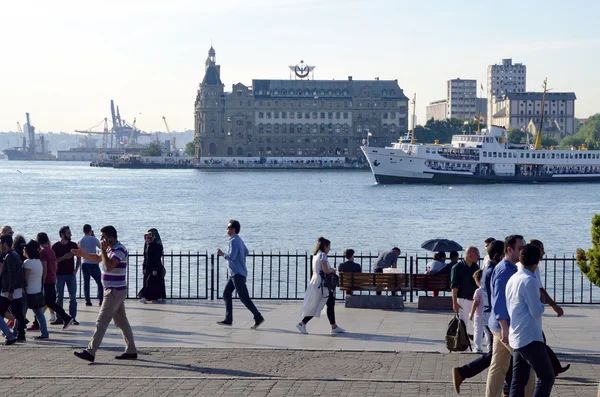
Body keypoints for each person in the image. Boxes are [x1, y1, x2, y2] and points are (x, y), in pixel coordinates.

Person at [72, 225, 137, 362]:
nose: (101, 239)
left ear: (111, 237)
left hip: (115, 291)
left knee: (101, 321)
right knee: (121, 322)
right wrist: (82, 254)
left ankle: (90, 352)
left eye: (103, 237)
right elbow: (97, 259)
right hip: (113, 290)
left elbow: (108, 266)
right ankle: (131, 351)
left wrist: (103, 250)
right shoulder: (109, 249)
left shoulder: (119, 249)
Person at [452, 240, 508, 394]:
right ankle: (463, 372)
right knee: (505, 358)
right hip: (495, 319)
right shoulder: (492, 272)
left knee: (499, 358)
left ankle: (463, 372)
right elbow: (495, 299)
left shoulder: (486, 269)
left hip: (493, 318)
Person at [486, 235, 535, 397]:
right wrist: (505, 327)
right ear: (509, 249)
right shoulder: (504, 270)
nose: (523, 251)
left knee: (498, 366)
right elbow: (499, 300)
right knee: (529, 364)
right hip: (505, 326)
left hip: (499, 324)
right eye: (520, 248)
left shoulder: (510, 268)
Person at [507, 244, 555, 397]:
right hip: (530, 337)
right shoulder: (530, 280)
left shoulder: (513, 278)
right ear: (537, 261)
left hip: (516, 333)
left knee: (518, 380)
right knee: (547, 377)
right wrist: (542, 303)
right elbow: (536, 311)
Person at [524, 239, 570, 376]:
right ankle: (551, 370)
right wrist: (553, 305)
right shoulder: (530, 271)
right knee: (539, 342)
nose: (543, 253)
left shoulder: (534, 269)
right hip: (530, 315)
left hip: (531, 315)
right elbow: (540, 289)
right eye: (541, 250)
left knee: (539, 342)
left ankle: (553, 368)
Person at [216, 220, 264, 329]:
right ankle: (228, 319)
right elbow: (246, 252)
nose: (227, 229)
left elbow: (231, 257)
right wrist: (240, 259)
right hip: (236, 273)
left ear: (233, 229)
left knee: (244, 298)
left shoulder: (233, 241)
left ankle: (258, 317)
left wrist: (222, 254)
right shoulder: (239, 240)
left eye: (228, 227)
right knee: (226, 294)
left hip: (237, 274)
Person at [296, 237, 344, 335]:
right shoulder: (323, 255)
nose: (329, 249)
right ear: (325, 246)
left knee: (330, 303)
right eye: (329, 247)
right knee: (317, 304)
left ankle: (334, 326)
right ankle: (302, 323)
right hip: (322, 284)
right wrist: (333, 270)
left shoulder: (316, 255)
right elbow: (326, 270)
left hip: (316, 281)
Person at [31, 232, 73, 331]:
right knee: (47, 302)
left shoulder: (42, 252)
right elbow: (55, 265)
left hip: (46, 281)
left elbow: (44, 268)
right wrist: (53, 275)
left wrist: (42, 283)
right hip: (52, 279)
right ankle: (36, 323)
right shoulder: (51, 250)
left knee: (46, 303)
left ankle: (66, 317)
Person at [0, 234, 27, 344]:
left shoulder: (10, 256)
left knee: (2, 311)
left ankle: (11, 335)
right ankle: (21, 334)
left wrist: (10, 291)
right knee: (18, 312)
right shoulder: (15, 254)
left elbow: (11, 274)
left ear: (5, 244)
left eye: (1, 244)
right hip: (16, 288)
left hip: (9, 290)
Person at [51, 226, 80, 325]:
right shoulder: (55, 246)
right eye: (68, 233)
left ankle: (73, 317)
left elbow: (79, 257)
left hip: (71, 274)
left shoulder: (73, 245)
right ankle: (59, 317)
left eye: (70, 233)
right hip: (59, 275)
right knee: (59, 297)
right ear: (62, 234)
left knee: (73, 297)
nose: (70, 235)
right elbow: (53, 261)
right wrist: (64, 257)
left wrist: (76, 269)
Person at [22, 240, 49, 340]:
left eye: (25, 249)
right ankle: (45, 332)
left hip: (28, 293)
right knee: (39, 314)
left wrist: (22, 289)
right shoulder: (38, 262)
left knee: (21, 314)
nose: (23, 250)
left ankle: (17, 332)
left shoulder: (27, 263)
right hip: (37, 291)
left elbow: (26, 279)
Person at [450, 246, 480, 335]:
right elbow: (454, 287)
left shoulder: (475, 267)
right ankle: (464, 345)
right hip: (463, 300)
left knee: (476, 323)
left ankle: (475, 345)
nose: (478, 256)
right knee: (463, 324)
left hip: (474, 299)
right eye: (477, 254)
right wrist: (454, 302)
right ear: (469, 255)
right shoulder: (457, 267)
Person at [138, 228, 166, 303]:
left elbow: (157, 258)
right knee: (149, 283)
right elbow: (145, 258)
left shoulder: (157, 247)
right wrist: (144, 267)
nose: (147, 239)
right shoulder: (147, 246)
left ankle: (143, 296)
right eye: (146, 238)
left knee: (150, 283)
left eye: (149, 238)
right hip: (148, 268)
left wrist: (155, 269)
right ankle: (150, 297)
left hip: (154, 268)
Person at [77, 224, 102, 307]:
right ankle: (101, 300)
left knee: (86, 283)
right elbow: (101, 247)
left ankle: (87, 300)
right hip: (93, 263)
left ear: (83, 231)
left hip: (85, 263)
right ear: (90, 230)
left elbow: (78, 251)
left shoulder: (80, 240)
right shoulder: (94, 239)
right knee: (99, 283)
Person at [469, 269, 485, 353]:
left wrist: (471, 314)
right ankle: (490, 347)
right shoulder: (488, 290)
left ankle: (477, 348)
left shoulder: (478, 291)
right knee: (487, 332)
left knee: (478, 331)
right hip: (486, 314)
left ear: (478, 280)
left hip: (478, 314)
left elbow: (475, 304)